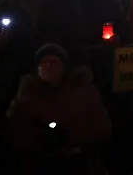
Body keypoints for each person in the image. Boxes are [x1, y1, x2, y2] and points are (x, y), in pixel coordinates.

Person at [6, 44, 111, 174]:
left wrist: (71, 137)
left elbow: (102, 126)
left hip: (77, 162)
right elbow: (13, 125)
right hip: (37, 163)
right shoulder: (27, 92)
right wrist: (39, 139)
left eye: (54, 62)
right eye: (44, 63)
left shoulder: (84, 91)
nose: (48, 66)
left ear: (64, 67)